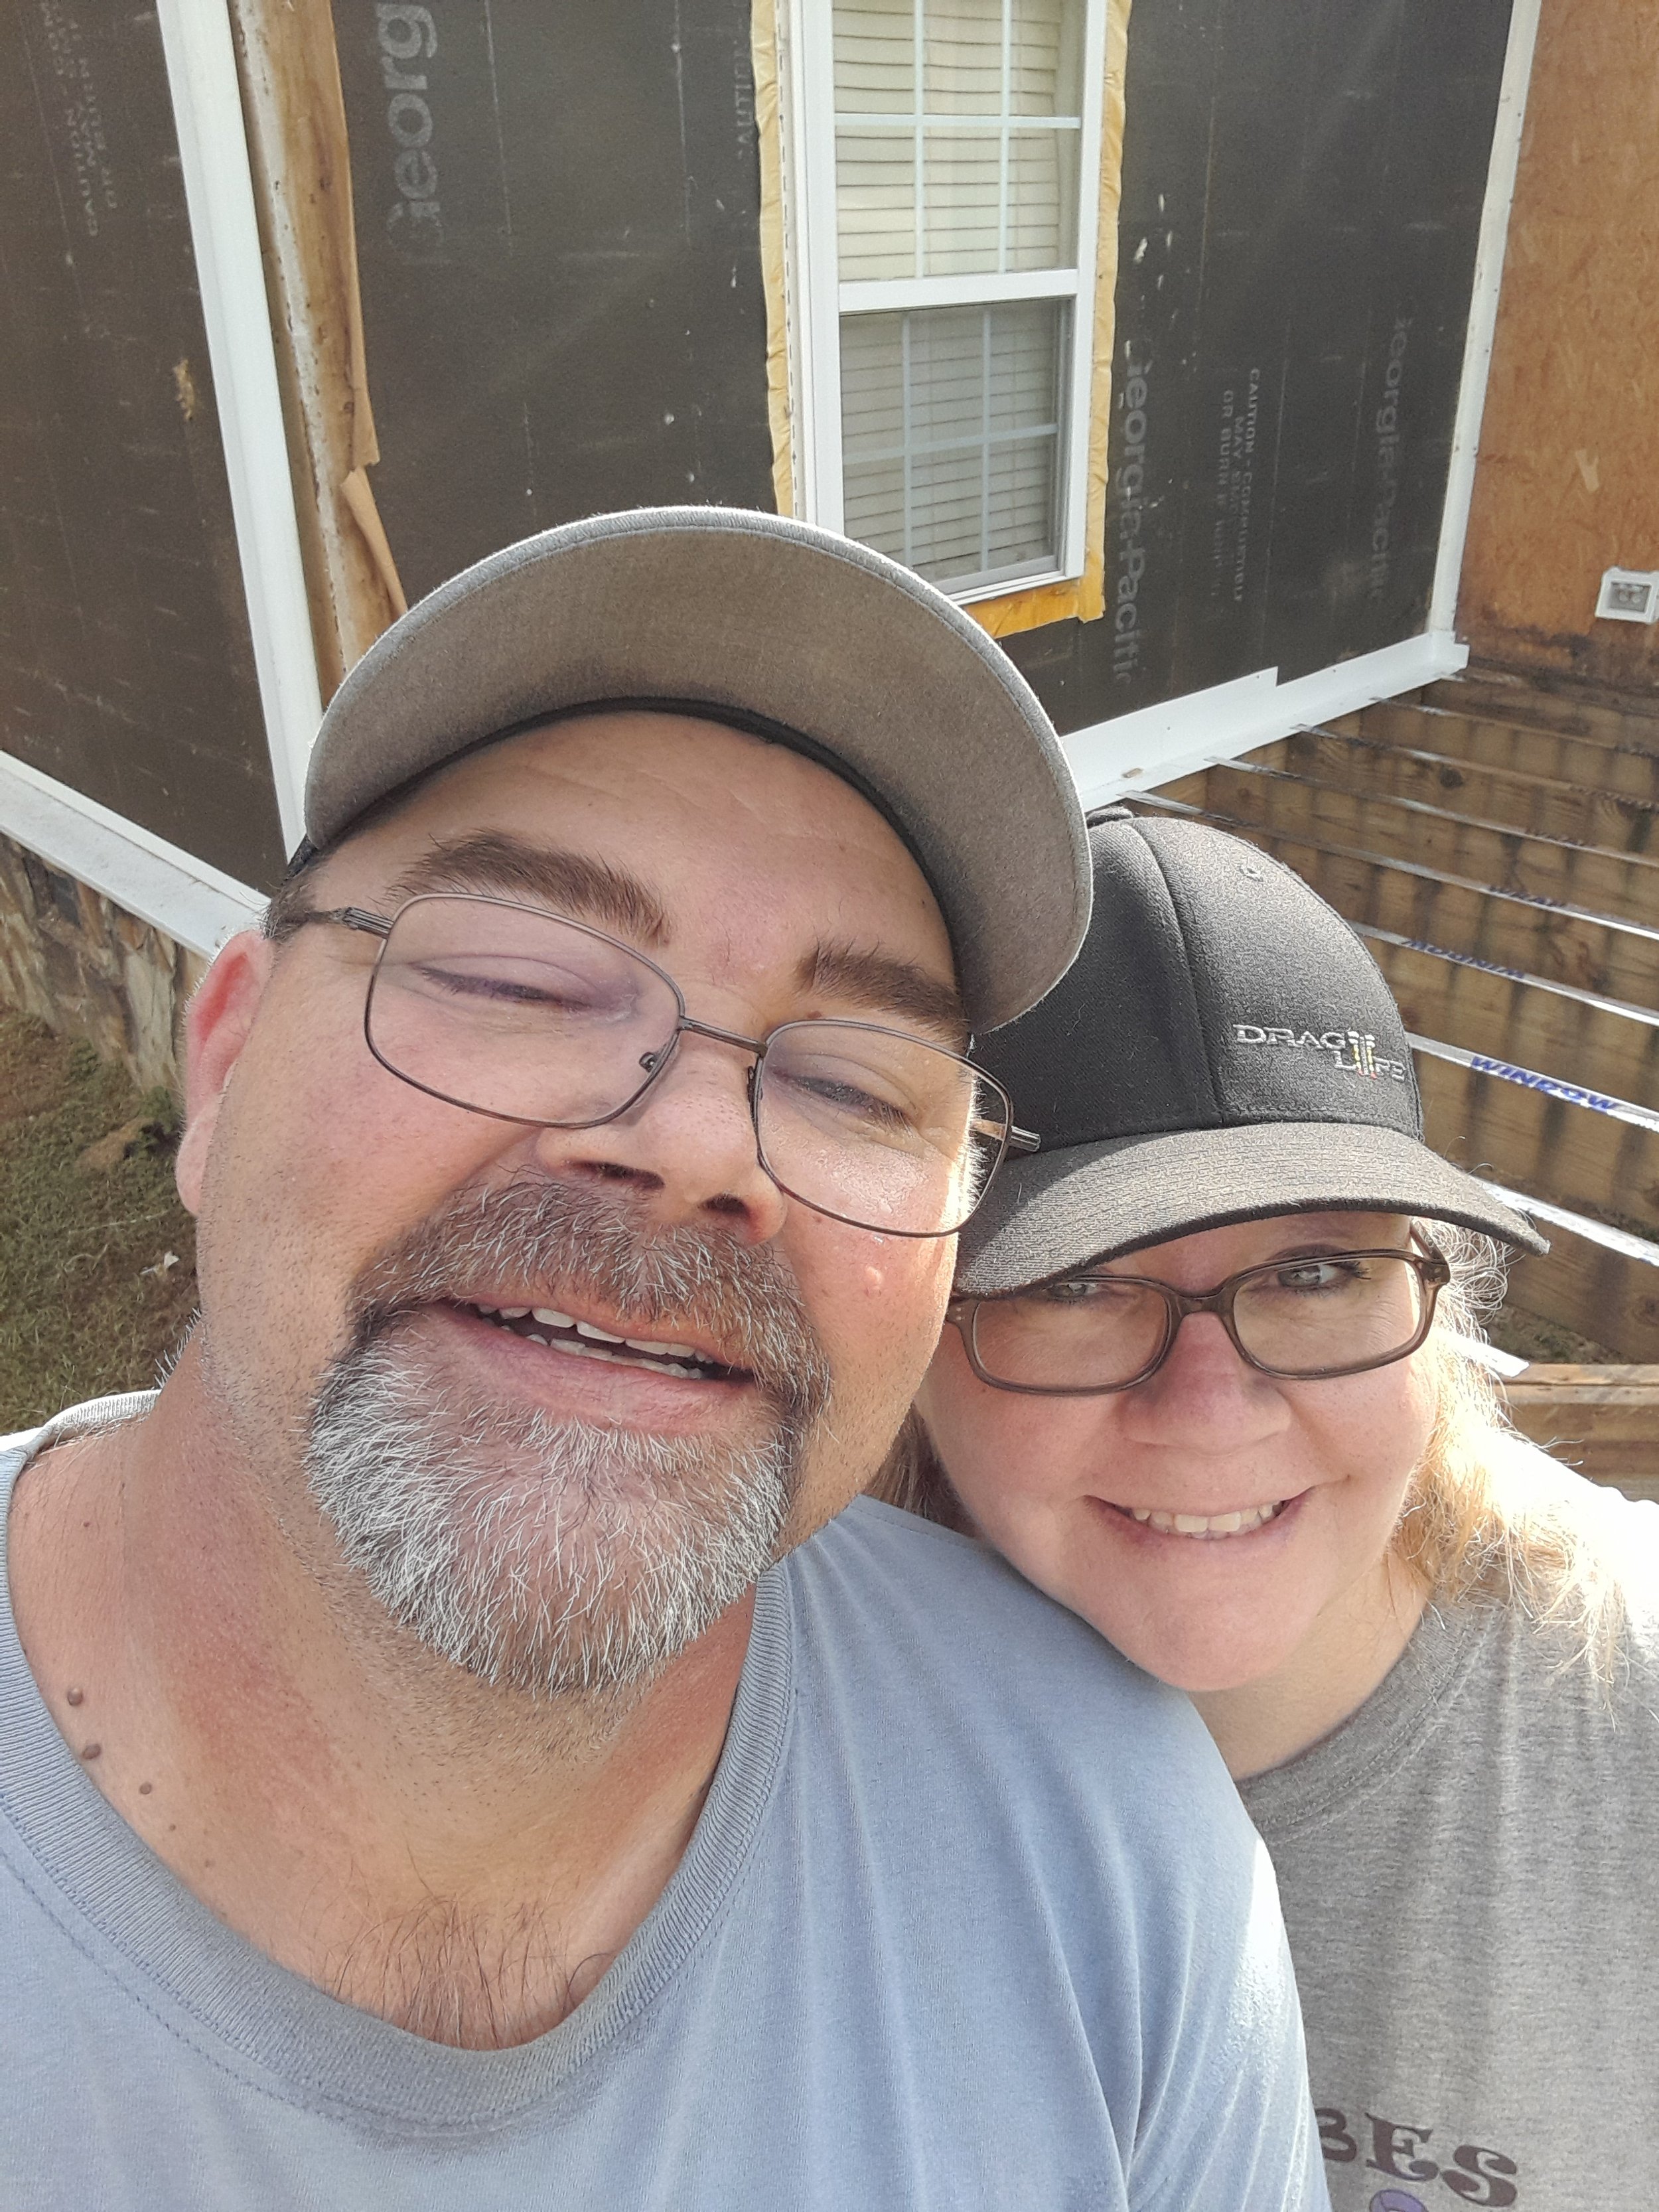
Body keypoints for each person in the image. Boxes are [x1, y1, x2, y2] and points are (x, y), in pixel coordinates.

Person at [0, 512, 1328, 2209]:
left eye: (858, 1086)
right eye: (516, 974)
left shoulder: (1108, 1854)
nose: (704, 1143)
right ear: (228, 1051)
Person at [896, 805, 1659, 2210]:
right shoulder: (785, 1730)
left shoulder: (1625, 1701)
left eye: (1313, 1270)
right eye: (1075, 1281)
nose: (1212, 1406)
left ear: (1431, 1306)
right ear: (911, 1342)